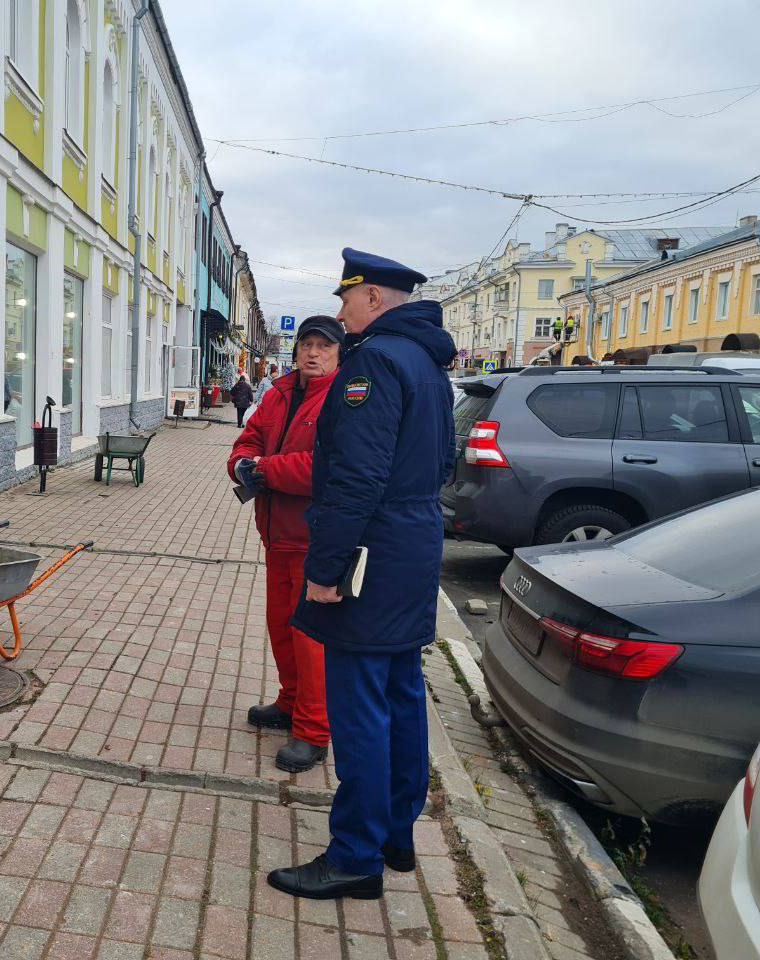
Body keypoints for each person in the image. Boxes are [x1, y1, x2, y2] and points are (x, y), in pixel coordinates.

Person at [268, 249, 456, 901]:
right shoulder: (429, 362)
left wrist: (326, 569)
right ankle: (394, 832)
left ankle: (355, 854)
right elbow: (442, 463)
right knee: (402, 696)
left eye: (348, 298)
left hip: (371, 556)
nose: (342, 310)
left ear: (373, 298)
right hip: (411, 548)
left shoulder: (373, 360)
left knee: (361, 711)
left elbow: (356, 475)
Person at [227, 316, 343, 772]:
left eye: (324, 346)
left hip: (314, 541)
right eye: (306, 345)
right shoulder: (277, 392)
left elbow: (328, 468)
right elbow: (247, 440)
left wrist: (266, 469)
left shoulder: (343, 399)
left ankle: (314, 732)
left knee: (311, 639)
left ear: (338, 354)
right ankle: (290, 703)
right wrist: (240, 465)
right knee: (280, 627)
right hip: (276, 538)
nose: (313, 353)